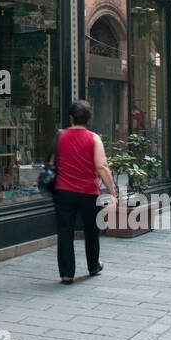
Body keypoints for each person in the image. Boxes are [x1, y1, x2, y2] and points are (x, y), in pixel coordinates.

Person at [48, 100, 118, 284]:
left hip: (63, 191)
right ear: (88, 119)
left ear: (71, 118)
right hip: (89, 192)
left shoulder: (60, 136)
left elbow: (51, 164)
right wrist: (112, 192)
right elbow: (102, 166)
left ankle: (66, 273)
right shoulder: (94, 138)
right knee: (91, 230)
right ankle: (93, 265)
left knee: (65, 232)